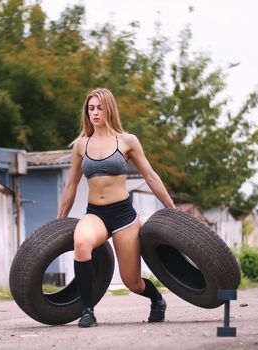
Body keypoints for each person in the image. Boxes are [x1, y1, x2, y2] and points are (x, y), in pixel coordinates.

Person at [57, 87, 176, 328]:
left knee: (132, 282)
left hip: (124, 216)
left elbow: (151, 176)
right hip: (96, 214)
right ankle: (87, 311)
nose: (95, 112)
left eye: (99, 107)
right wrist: (59, 222)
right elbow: (71, 185)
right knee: (81, 243)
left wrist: (172, 210)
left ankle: (157, 299)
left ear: (109, 109)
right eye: (91, 108)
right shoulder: (81, 145)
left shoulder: (128, 141)